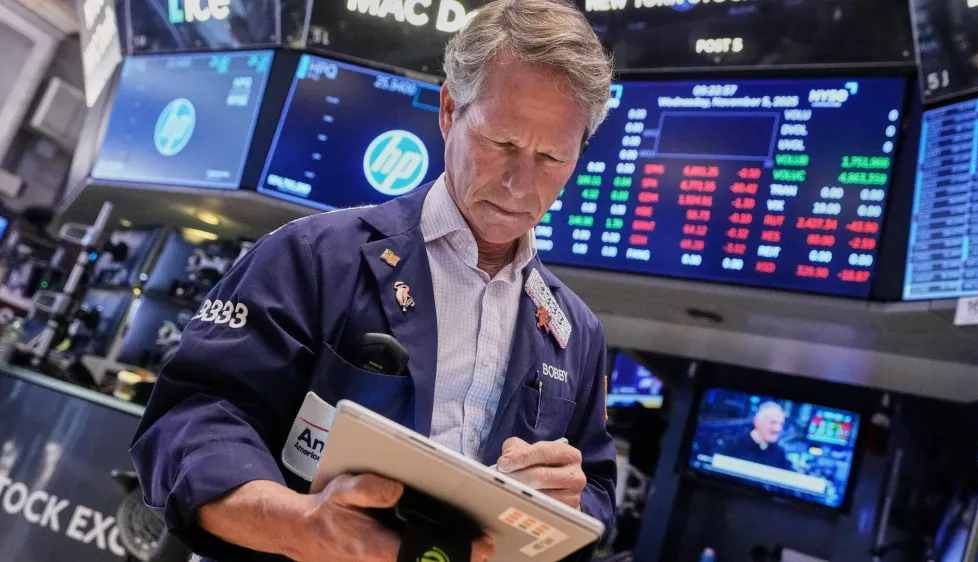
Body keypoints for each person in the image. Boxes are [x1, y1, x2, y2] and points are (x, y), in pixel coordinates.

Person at [129, 1, 617, 561]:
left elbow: (597, 496)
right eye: (502, 142)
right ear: (450, 110)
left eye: (552, 157)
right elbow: (192, 419)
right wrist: (301, 525)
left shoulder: (577, 336)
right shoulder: (312, 257)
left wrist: (569, 505)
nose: (519, 184)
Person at [723, 402, 792, 471]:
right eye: (773, 422)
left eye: (781, 424)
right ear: (757, 422)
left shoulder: (780, 454)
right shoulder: (732, 445)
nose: (778, 429)